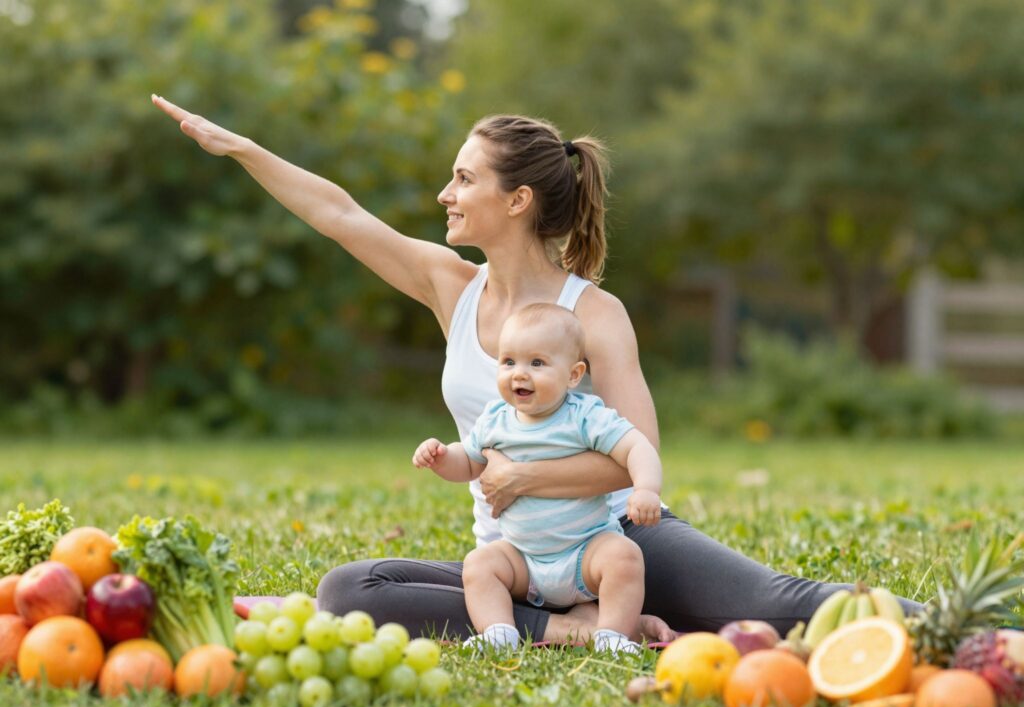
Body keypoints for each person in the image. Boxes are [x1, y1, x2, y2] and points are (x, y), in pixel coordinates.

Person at [152, 95, 919, 644]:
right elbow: (341, 214)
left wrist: (526, 479)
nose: (445, 194)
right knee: (350, 590)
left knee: (779, 605)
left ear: (516, 200)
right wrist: (244, 150)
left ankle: (990, 626)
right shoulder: (450, 286)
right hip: (516, 562)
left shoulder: (595, 314)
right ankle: (565, 631)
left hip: (615, 545)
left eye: (463, 180)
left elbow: (636, 457)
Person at [412, 303, 662, 653]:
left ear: (573, 375)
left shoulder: (584, 416)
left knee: (624, 557)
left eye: (537, 363)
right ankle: (499, 633)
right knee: (481, 564)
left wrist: (647, 489)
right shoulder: (495, 418)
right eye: (508, 361)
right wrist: (441, 457)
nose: (519, 374)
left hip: (584, 553)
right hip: (524, 559)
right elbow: (467, 464)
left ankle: (612, 636)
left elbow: (637, 445)